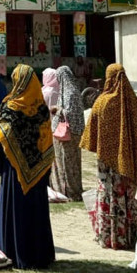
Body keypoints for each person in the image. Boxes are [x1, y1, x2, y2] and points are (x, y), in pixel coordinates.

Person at [0, 64, 56, 269]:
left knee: (16, 212)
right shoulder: (41, 109)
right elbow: (46, 140)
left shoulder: (9, 106)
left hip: (13, 173)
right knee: (35, 213)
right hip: (37, 173)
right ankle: (39, 255)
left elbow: (0, 136)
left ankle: (13, 251)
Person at [80, 62, 137, 250]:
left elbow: (90, 134)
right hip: (129, 165)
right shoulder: (135, 104)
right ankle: (130, 236)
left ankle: (109, 236)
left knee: (109, 196)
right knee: (129, 198)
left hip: (107, 167)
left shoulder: (102, 102)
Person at [51, 62, 86, 200]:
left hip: (68, 135)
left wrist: (56, 110)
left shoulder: (70, 93)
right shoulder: (72, 90)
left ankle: (70, 191)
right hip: (74, 133)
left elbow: (69, 113)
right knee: (73, 163)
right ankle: (72, 188)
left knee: (68, 163)